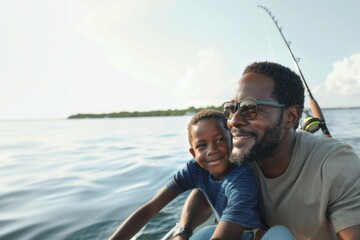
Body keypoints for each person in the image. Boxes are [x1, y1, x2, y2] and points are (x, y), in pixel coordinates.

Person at [177, 61, 360, 240]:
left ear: (290, 116)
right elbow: (204, 189)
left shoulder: (335, 163)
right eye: (232, 109)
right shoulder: (235, 154)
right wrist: (183, 230)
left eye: (250, 108)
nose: (233, 120)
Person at [108, 110, 265, 240]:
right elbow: (151, 208)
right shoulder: (196, 169)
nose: (211, 150)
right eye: (202, 145)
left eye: (220, 140)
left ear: (232, 140)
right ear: (193, 152)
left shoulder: (242, 179)